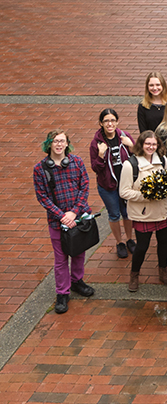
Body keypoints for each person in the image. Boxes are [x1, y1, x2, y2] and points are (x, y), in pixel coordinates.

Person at [34, 130, 94, 314]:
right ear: (49, 144)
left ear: (67, 144)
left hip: (78, 218)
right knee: (60, 259)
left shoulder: (77, 162)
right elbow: (42, 197)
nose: (59, 144)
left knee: (79, 253)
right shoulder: (40, 169)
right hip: (57, 222)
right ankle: (62, 292)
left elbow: (84, 187)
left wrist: (74, 213)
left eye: (62, 141)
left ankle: (77, 281)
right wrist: (63, 216)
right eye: (55, 141)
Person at [120, 131, 167, 291]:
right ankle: (134, 274)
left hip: (164, 210)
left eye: (154, 144)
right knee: (142, 246)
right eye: (147, 144)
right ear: (141, 144)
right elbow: (124, 192)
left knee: (164, 243)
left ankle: (163, 271)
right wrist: (148, 195)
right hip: (144, 214)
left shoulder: (163, 160)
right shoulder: (130, 165)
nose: (151, 147)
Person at [90, 109, 136, 259]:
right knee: (114, 215)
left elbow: (137, 157)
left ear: (117, 122)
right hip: (108, 186)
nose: (110, 124)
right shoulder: (96, 143)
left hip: (126, 184)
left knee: (127, 213)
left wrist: (131, 146)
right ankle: (119, 242)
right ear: (101, 123)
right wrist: (101, 155)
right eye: (106, 121)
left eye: (112, 120)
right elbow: (96, 168)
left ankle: (130, 239)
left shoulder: (125, 136)